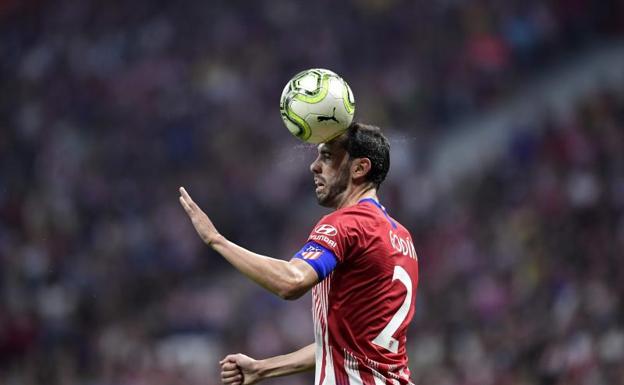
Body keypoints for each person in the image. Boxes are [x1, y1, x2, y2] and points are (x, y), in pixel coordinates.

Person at [179, 122, 419, 385]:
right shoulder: (401, 238)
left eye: (327, 156)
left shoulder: (346, 223)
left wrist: (217, 240)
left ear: (360, 168)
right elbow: (349, 345)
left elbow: (291, 281)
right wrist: (262, 369)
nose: (314, 166)